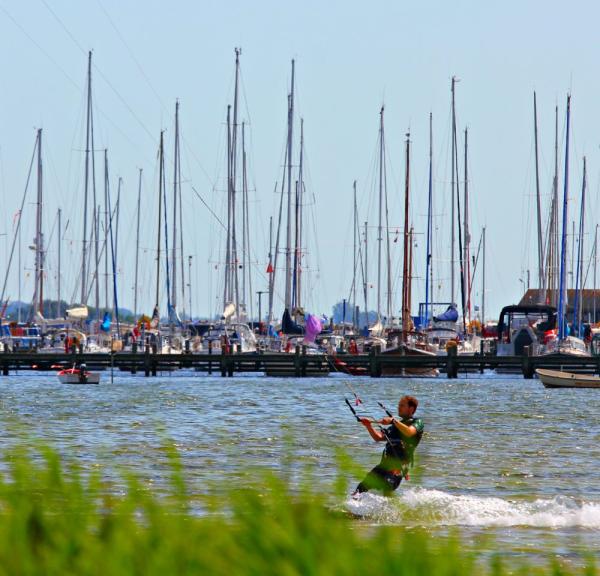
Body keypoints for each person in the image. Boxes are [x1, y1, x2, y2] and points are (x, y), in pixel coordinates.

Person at [353, 395, 424, 496]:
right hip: (383, 465)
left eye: (402, 405)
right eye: (399, 405)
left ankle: (393, 511)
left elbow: (409, 432)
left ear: (411, 409)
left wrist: (393, 421)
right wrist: (369, 426)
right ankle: (348, 508)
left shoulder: (418, 422)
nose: (399, 407)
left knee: (387, 486)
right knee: (361, 488)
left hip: (398, 467)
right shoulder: (394, 427)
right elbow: (378, 437)